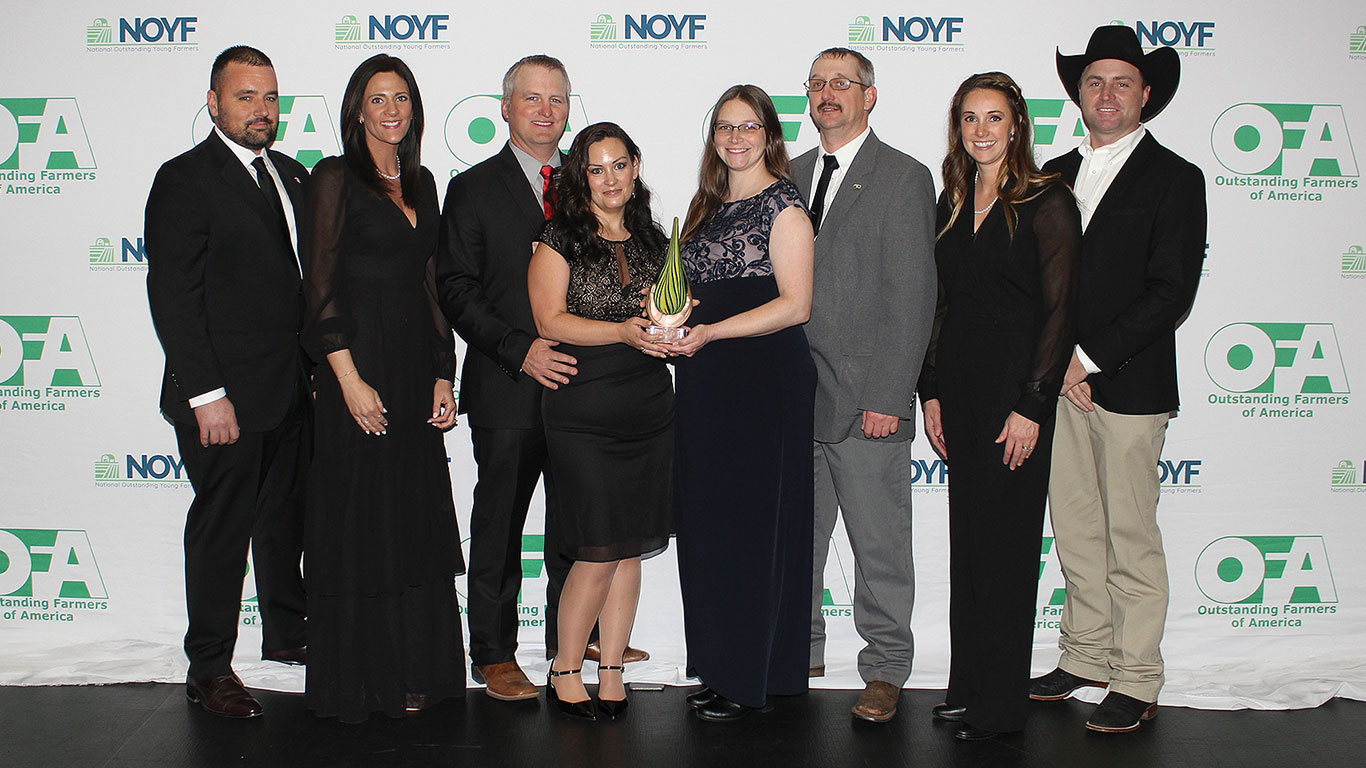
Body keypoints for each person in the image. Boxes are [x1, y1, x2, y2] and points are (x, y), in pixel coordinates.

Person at [437, 54, 647, 702]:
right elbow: (456, 289)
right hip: (510, 383)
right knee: (499, 525)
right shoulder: (472, 189)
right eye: (531, 98)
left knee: (578, 524)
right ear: (505, 107)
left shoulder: (592, 187)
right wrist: (520, 349)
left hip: (590, 391)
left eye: (556, 99)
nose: (545, 110)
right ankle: (495, 654)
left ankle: (572, 637)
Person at [1028, 25, 1206, 734]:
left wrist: (1086, 359)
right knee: (1075, 531)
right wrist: (1051, 366)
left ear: (1146, 95)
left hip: (1126, 385)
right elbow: (1036, 285)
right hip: (1056, 385)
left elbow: (1171, 292)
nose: (1107, 94)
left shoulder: (1176, 178)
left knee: (1129, 534)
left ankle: (1135, 676)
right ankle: (1085, 655)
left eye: (1122, 82)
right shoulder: (1052, 172)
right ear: (1078, 95)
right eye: (1094, 82)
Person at [299, 54, 465, 723]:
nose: (391, 110)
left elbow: (431, 285)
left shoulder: (423, 180)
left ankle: (411, 675)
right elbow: (317, 284)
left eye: (401, 98)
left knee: (409, 525)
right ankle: (357, 685)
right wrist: (346, 379)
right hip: (355, 372)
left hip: (411, 368)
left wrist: (443, 370)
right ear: (357, 109)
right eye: (378, 99)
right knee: (360, 526)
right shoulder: (334, 177)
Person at [145, 45, 309, 719]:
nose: (260, 110)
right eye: (245, 97)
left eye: (269, 97)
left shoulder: (293, 175)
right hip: (225, 402)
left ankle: (289, 637)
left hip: (292, 393)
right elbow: (173, 297)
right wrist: (205, 394)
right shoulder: (185, 178)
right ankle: (209, 665)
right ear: (213, 103)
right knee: (221, 534)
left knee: (283, 525)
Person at [918, 72, 1081, 741]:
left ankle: (1001, 706)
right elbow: (940, 304)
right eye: (969, 119)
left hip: (1015, 399)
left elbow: (1061, 313)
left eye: (993, 118)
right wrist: (928, 391)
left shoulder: (1047, 200)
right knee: (971, 549)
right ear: (958, 128)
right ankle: (969, 687)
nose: (981, 131)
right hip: (959, 392)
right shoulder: (953, 199)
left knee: (1007, 554)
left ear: (1017, 124)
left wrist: (1033, 405)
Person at [793, 47, 936, 724]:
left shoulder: (903, 177)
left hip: (866, 400)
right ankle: (803, 651)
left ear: (869, 96)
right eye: (818, 84)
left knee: (879, 546)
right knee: (800, 539)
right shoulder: (783, 175)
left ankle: (883, 669)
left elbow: (913, 295)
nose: (829, 93)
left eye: (842, 83)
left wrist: (889, 395)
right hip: (796, 397)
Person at [673, 84, 816, 722]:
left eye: (748, 126)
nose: (735, 138)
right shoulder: (704, 209)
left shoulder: (784, 206)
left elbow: (796, 305)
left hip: (763, 382)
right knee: (711, 528)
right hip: (706, 382)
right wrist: (671, 326)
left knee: (756, 530)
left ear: (769, 135)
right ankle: (729, 665)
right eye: (725, 127)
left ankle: (751, 675)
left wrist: (709, 333)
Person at [527, 122, 674, 720]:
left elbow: (666, 316)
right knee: (595, 549)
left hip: (649, 408)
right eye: (597, 168)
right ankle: (566, 669)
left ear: (635, 166)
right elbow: (549, 321)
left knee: (628, 549)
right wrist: (621, 331)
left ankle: (611, 670)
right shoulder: (556, 238)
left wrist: (675, 323)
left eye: (619, 165)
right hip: (582, 411)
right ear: (580, 176)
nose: (610, 178)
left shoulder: (656, 240)